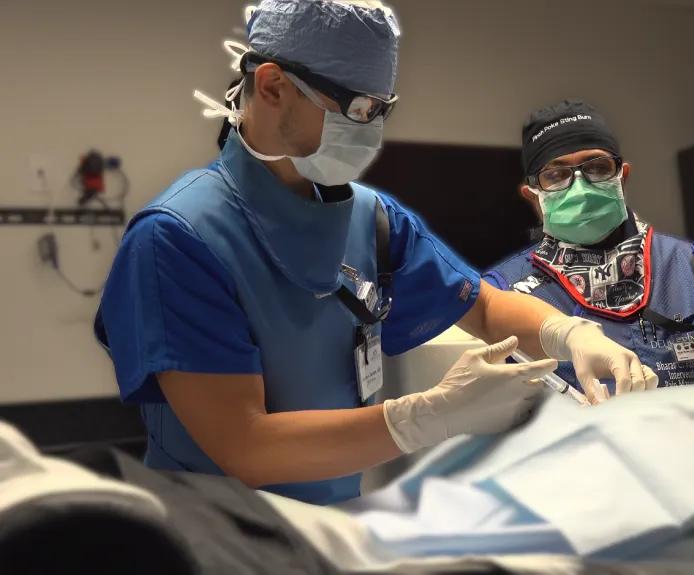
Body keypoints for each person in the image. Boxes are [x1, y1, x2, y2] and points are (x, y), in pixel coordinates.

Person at [93, 1, 656, 506]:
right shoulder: (176, 238)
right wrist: (427, 417)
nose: (372, 131)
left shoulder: (371, 217)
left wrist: (573, 335)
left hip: (335, 515)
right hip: (222, 535)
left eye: (382, 109)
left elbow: (482, 307)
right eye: (358, 109)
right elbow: (247, 449)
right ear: (271, 87)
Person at [485, 100, 694, 390]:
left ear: (621, 177)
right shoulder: (503, 294)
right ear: (533, 195)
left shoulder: (692, 267)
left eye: (597, 167)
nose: (580, 188)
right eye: (556, 175)